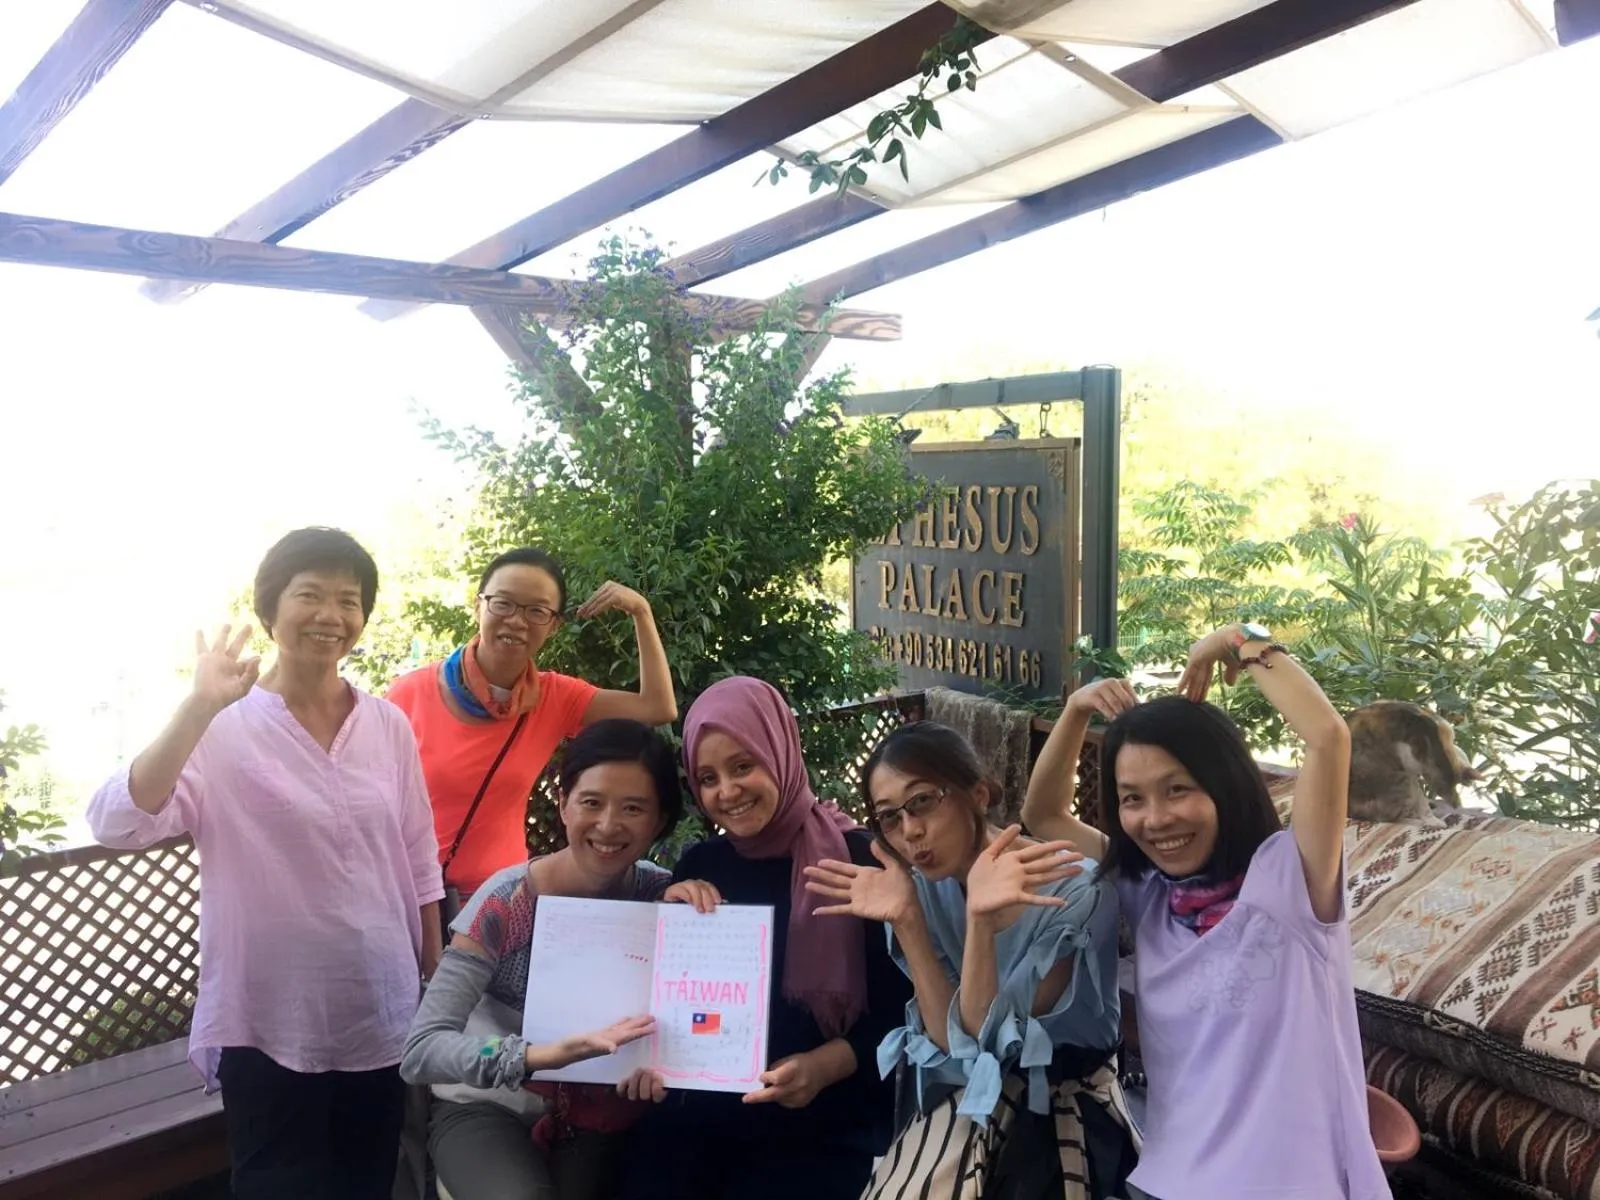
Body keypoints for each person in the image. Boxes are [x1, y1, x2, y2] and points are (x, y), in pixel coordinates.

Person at [85, 528, 444, 1200]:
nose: (331, 616)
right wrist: (197, 706)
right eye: (310, 594)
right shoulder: (222, 725)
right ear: (269, 609)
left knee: (368, 1180)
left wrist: (431, 967)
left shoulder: (387, 724)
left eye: (349, 599)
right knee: (277, 1185)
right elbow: (116, 821)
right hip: (268, 1013)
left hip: (380, 1005)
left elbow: (417, 851)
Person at [1020, 624, 1391, 1200]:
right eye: (1132, 799)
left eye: (1178, 789)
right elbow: (1042, 815)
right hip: (1169, 1182)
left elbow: (1327, 737)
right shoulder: (1150, 895)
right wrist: (1075, 712)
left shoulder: (1290, 882)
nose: (1156, 819)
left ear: (1223, 785)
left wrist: (1239, 639)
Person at [803, 721, 1138, 1199]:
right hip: (968, 1102)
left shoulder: (1078, 888)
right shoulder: (921, 887)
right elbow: (948, 1041)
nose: (910, 831)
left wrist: (979, 919)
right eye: (889, 817)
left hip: (1066, 1113)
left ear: (978, 794)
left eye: (922, 801)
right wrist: (908, 922)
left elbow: (989, 1044)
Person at [619, 676, 912, 1200]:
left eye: (743, 766)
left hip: (826, 1125)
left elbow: (905, 1014)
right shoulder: (701, 865)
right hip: (703, 1119)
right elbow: (666, 1008)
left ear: (779, 751)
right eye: (707, 778)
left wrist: (826, 1066)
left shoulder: (856, 859)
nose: (727, 792)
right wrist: (672, 925)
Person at [401, 718, 710, 1200]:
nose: (608, 825)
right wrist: (533, 1057)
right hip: (487, 1108)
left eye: (633, 808)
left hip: (600, 1115)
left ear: (659, 822)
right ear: (563, 804)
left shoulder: (660, 896)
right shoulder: (503, 905)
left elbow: (695, 1020)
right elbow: (424, 1048)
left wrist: (701, 918)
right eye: (591, 802)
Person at [386, 547, 676, 903]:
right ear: (479, 605)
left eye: (536, 611)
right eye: (503, 603)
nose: (517, 621)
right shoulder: (408, 694)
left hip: (500, 900)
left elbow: (658, 707)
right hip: (412, 897)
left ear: (553, 625)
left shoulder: (555, 698)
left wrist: (640, 612)